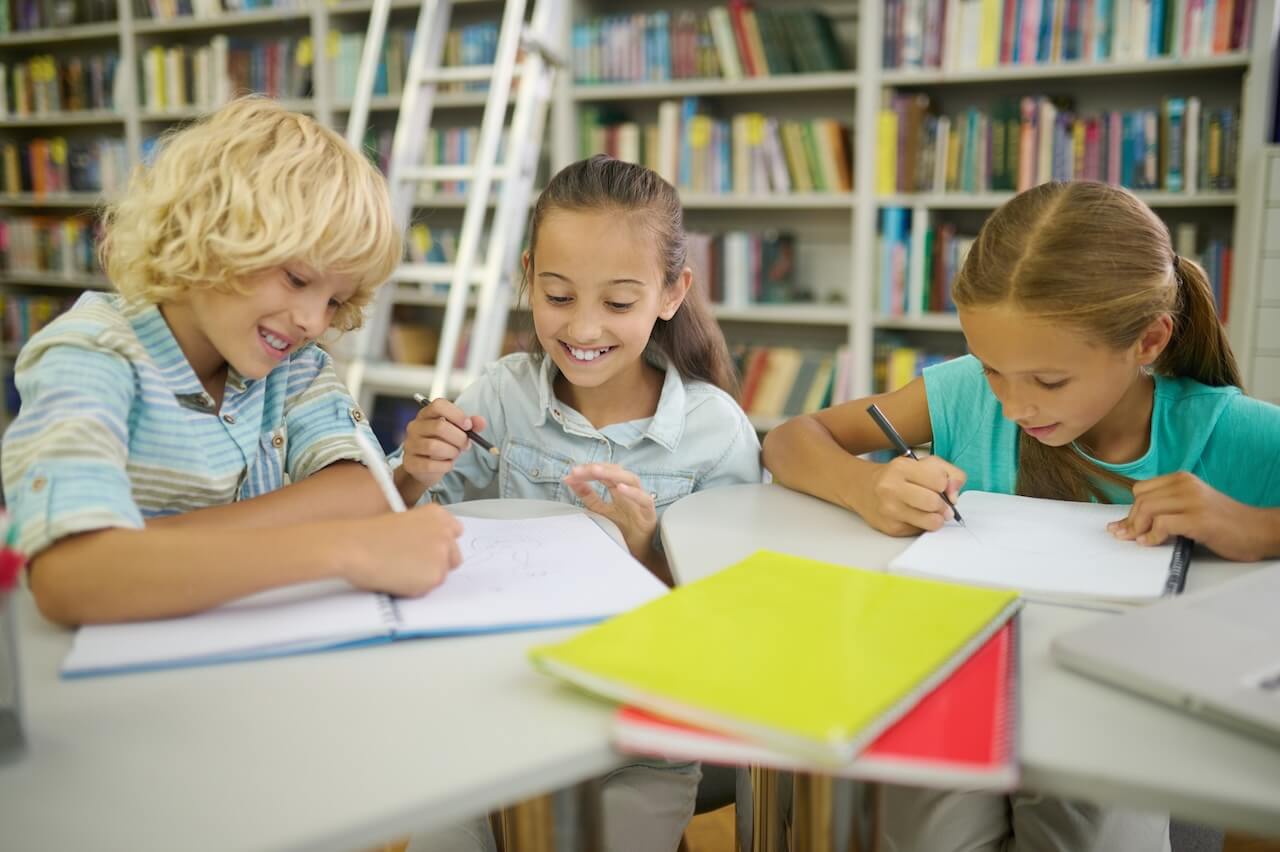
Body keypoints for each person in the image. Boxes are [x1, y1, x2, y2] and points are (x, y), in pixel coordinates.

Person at [761, 180, 1280, 851]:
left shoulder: (1225, 429)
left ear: (1149, 340)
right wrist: (867, 486)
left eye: (1050, 382)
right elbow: (789, 439)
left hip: (1116, 718)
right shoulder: (962, 395)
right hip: (959, 691)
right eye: (992, 369)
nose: (1012, 406)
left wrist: (1253, 528)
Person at [397, 155, 762, 852]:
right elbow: (396, 529)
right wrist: (413, 473)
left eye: (618, 304)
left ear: (672, 292)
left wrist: (647, 550)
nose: (585, 329)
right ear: (529, 276)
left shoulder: (715, 431)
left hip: (643, 738)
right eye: (559, 296)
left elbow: (735, 615)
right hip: (498, 713)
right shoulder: (503, 396)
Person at [1, 97, 464, 627]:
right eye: (296, 278)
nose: (313, 322)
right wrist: (343, 548)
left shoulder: (296, 364)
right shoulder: (90, 353)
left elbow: (363, 491)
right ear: (206, 230)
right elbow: (71, 576)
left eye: (334, 301)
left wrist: (138, 547)